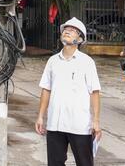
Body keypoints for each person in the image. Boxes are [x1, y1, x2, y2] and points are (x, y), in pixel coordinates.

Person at [35, 17, 102, 166]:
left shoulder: (87, 62)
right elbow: (46, 88)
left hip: (79, 125)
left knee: (84, 163)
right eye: (65, 29)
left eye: (72, 30)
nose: (67, 31)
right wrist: (40, 116)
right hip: (55, 124)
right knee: (55, 163)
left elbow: (95, 92)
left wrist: (96, 121)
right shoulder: (52, 61)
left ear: (80, 38)